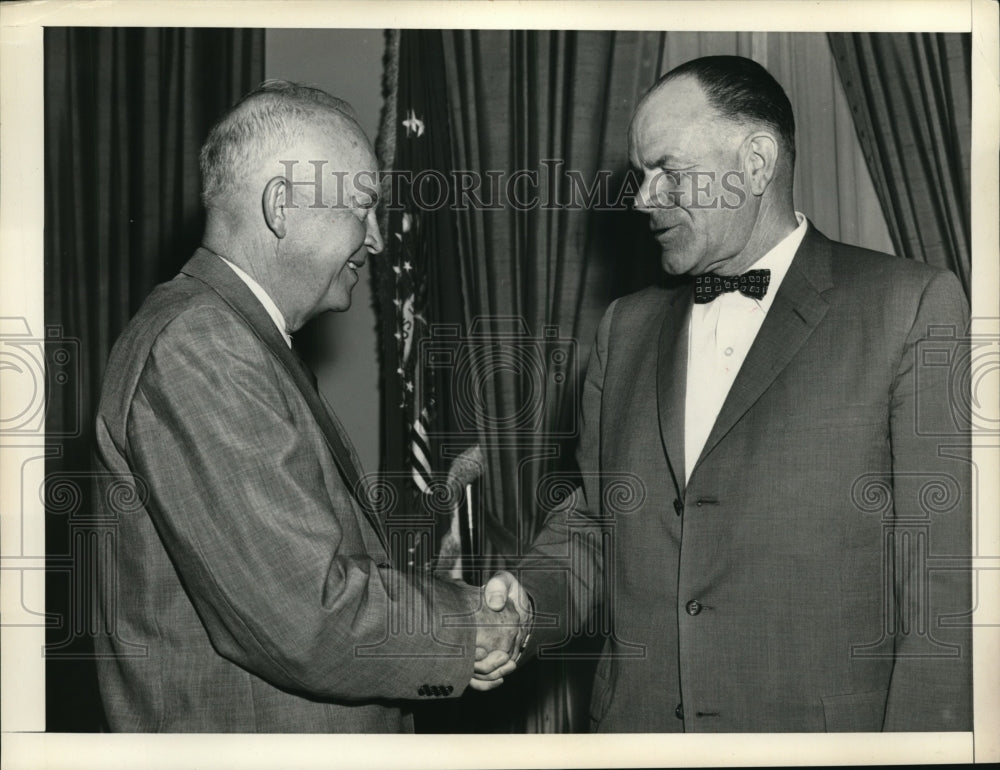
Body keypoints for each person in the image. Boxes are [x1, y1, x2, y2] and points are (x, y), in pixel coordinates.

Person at [485, 55, 972, 732]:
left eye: (669, 173)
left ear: (755, 161)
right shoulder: (625, 328)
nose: (642, 199)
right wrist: (525, 607)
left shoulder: (909, 307)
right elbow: (598, 525)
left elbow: (942, 582)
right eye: (640, 175)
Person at [92, 80, 525, 732]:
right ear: (281, 207)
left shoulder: (233, 335)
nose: (376, 240)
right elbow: (303, 614)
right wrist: (471, 627)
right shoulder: (202, 345)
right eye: (361, 209)